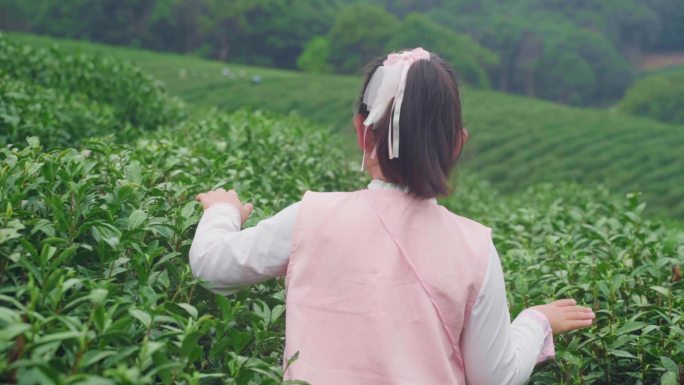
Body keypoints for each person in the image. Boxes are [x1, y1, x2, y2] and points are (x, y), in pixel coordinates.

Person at [190, 48, 595, 385]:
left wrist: (222, 212)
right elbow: (496, 377)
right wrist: (535, 321)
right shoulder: (474, 249)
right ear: (457, 144)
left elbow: (212, 266)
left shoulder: (311, 217)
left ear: (360, 132)